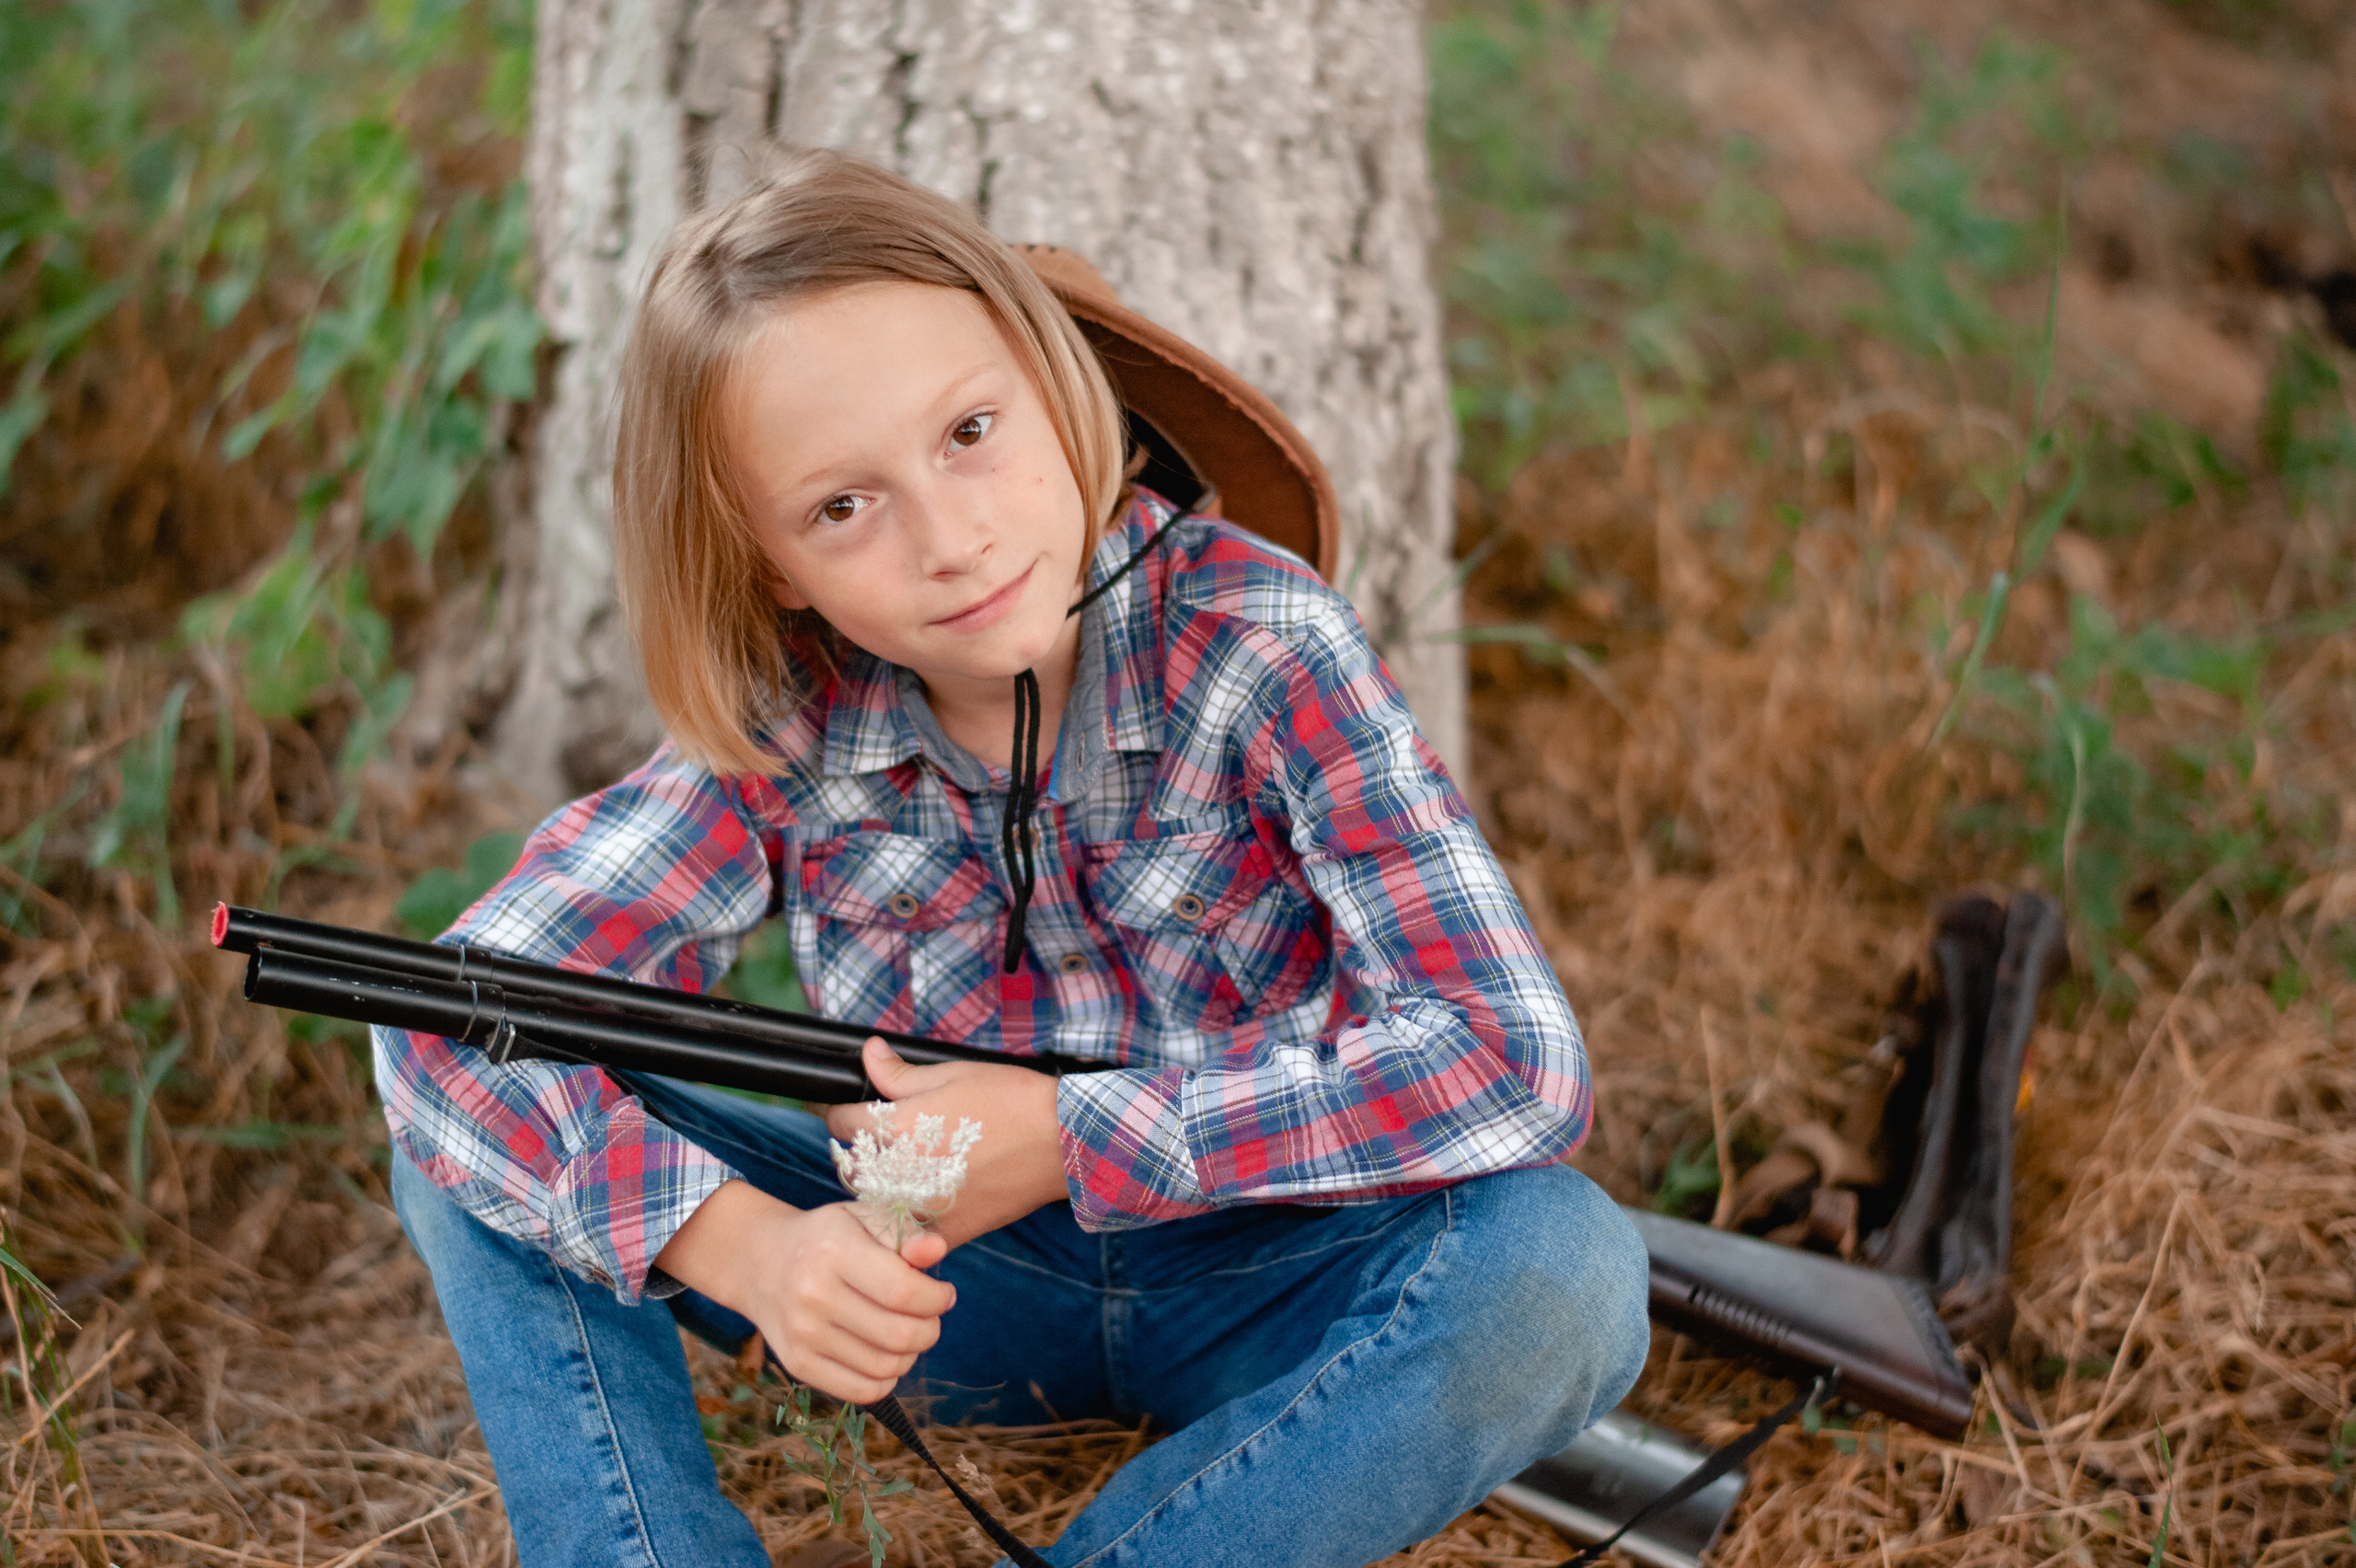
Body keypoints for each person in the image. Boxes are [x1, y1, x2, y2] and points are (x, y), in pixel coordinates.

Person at [376, 146, 1648, 1568]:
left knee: (1564, 1272)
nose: (951, 539)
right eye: (841, 507)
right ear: (774, 564)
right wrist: (748, 1249)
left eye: (970, 431)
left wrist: (1065, 1134)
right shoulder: (796, 714)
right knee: (474, 1101)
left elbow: (1511, 1061)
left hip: (1270, 1268)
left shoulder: (1263, 647)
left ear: (1061, 385)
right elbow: (444, 1007)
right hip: (936, 1283)